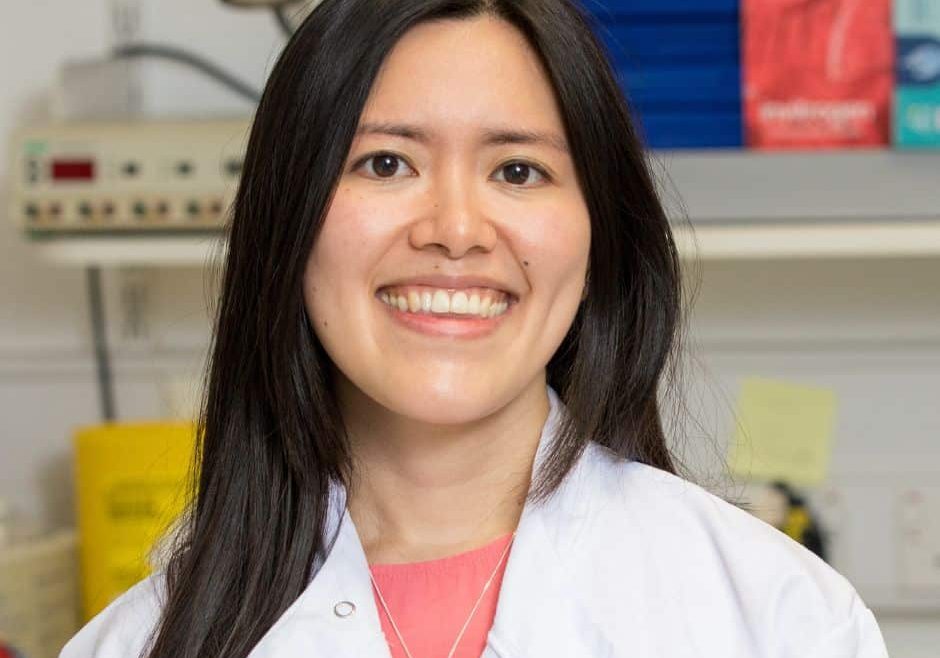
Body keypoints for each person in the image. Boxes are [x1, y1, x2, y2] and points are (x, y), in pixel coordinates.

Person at [60, 0, 890, 656]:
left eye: (518, 170)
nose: (455, 228)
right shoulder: (137, 645)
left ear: (598, 235)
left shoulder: (778, 623)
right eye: (386, 163)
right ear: (290, 221)